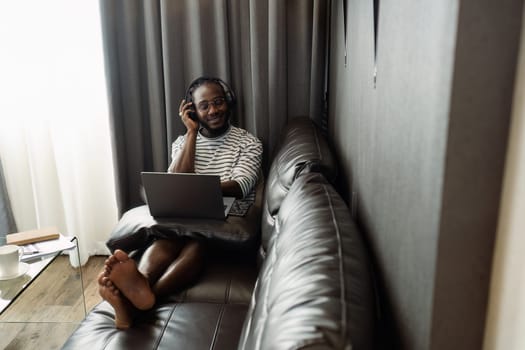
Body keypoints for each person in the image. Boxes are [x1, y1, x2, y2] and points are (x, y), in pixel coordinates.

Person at [98, 77, 263, 329]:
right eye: (204, 106)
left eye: (218, 102)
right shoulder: (183, 142)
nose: (213, 110)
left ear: (228, 103)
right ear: (192, 110)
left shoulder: (248, 142)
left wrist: (200, 188)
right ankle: (140, 281)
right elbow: (176, 179)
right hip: (186, 215)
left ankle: (134, 306)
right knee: (166, 238)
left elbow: (241, 186)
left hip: (228, 219)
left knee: (197, 244)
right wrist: (191, 133)